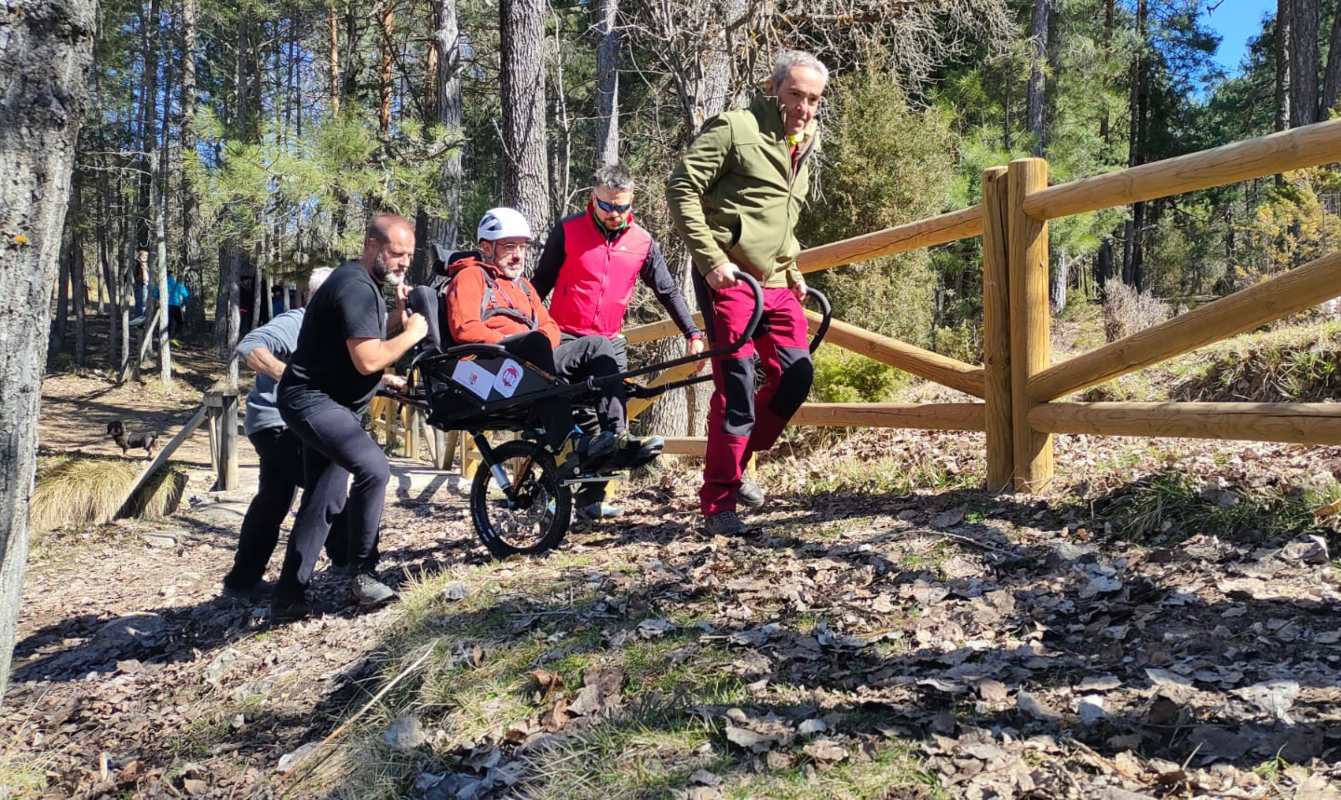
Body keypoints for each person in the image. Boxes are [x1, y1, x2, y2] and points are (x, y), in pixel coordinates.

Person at [667, 50, 827, 536]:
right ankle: (718, 503)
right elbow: (680, 187)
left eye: (813, 99)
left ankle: (737, 465)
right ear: (773, 89)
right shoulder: (734, 128)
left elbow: (781, 214)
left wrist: (793, 264)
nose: (803, 107)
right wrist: (711, 260)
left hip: (778, 283)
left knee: (797, 376)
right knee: (736, 387)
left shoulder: (806, 138)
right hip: (730, 279)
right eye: (795, 94)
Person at [270, 214, 428, 621]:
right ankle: (362, 574)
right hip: (314, 400)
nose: (403, 263)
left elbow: (362, 337)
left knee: (324, 496)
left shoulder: (362, 285)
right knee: (374, 468)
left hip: (327, 402)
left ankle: (289, 596)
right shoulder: (356, 286)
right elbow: (367, 359)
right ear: (372, 247)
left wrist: (397, 317)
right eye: (396, 254)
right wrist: (412, 335)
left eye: (408, 256)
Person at [533, 161, 703, 521]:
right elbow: (539, 284)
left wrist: (693, 333)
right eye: (607, 206)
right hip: (565, 336)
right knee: (569, 424)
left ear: (632, 202)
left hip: (610, 341)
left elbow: (667, 290)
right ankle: (549, 500)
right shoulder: (567, 231)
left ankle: (591, 501)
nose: (614, 214)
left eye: (622, 207)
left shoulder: (642, 241)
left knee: (613, 424)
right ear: (593, 198)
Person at [443, 207, 643, 475]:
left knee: (598, 346)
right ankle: (567, 441)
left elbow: (549, 325)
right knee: (534, 342)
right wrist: (511, 341)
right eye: (509, 247)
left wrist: (541, 343)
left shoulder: (524, 286)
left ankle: (616, 436)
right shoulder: (470, 277)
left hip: (533, 359)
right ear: (486, 247)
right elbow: (464, 329)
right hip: (489, 364)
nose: (518, 255)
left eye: (522, 247)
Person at [222, 267, 353, 600]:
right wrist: (290, 377)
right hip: (276, 424)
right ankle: (347, 562)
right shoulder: (297, 321)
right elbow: (250, 345)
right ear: (317, 297)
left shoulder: (334, 331)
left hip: (294, 424)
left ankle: (241, 581)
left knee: (274, 499)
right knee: (325, 486)